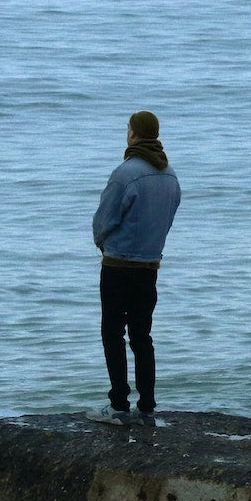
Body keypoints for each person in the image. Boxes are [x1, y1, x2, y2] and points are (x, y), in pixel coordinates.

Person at [87, 110, 181, 427]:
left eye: (128, 130)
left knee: (112, 333)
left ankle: (118, 405)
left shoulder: (125, 174)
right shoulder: (169, 176)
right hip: (149, 267)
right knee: (142, 335)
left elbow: (103, 221)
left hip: (117, 265)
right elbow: (167, 220)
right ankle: (148, 406)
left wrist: (103, 244)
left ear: (134, 135)